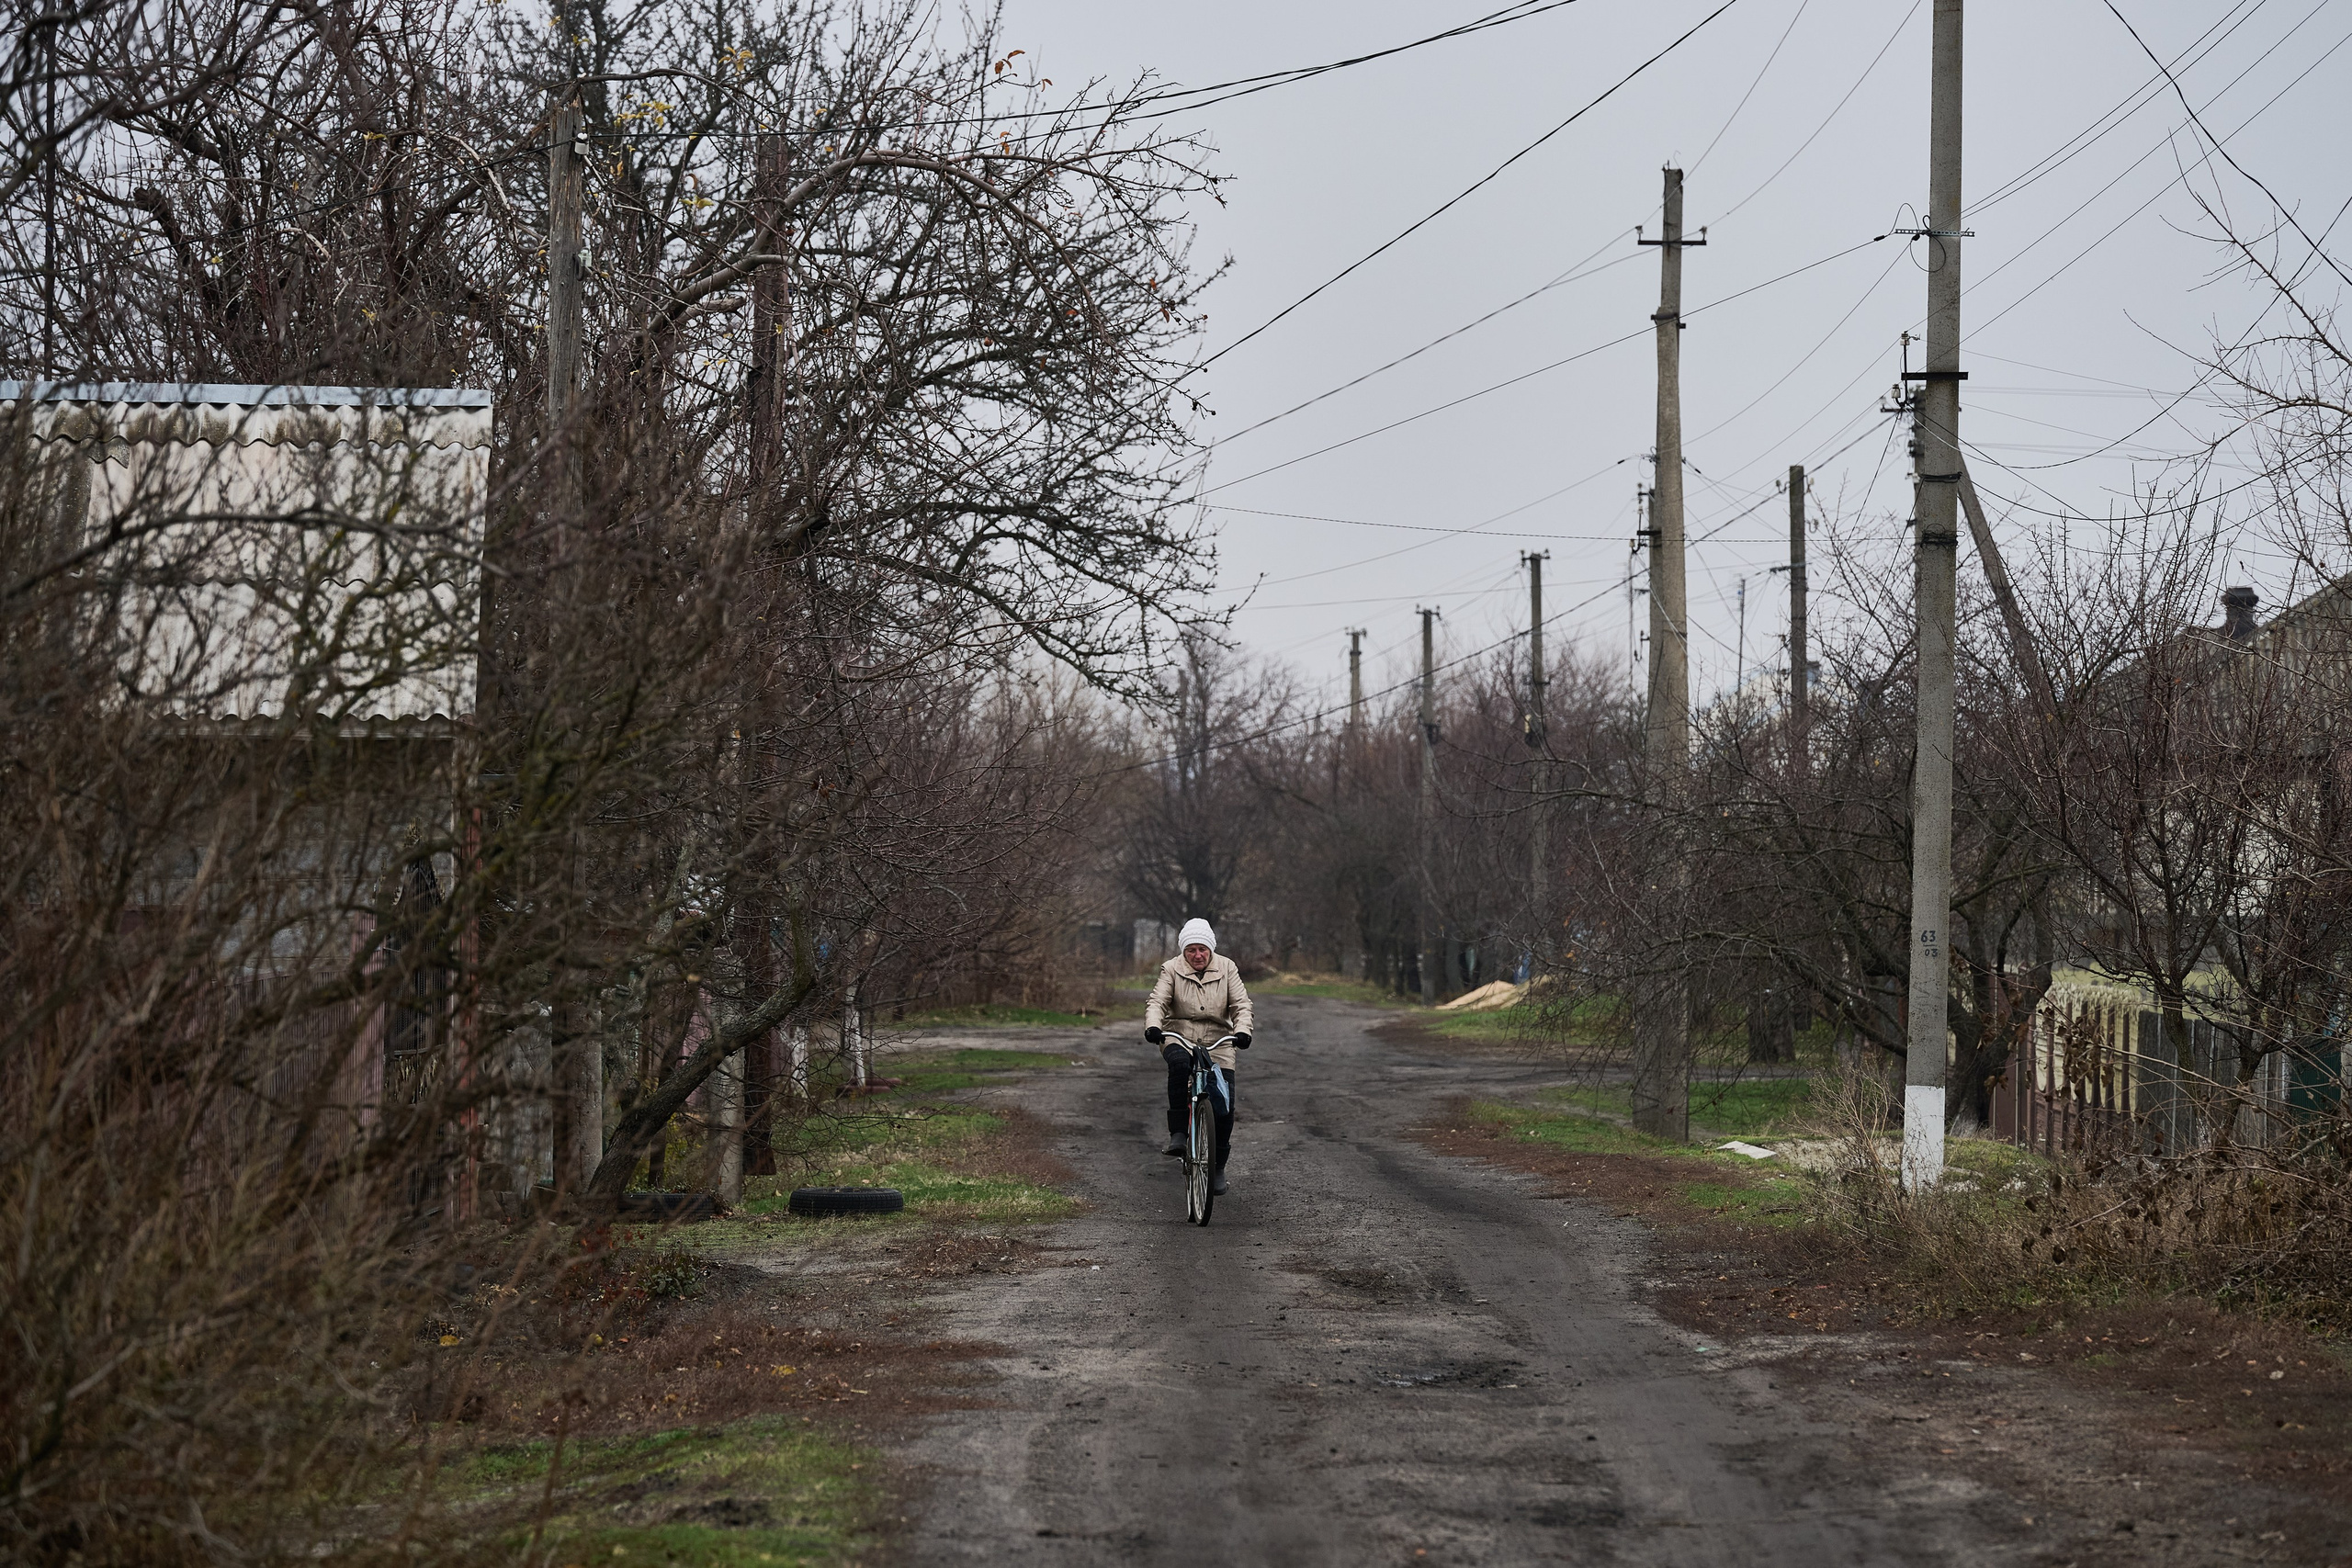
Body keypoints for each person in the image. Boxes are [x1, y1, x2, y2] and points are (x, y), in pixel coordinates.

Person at [1143, 917, 1253, 1195]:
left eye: (1202, 949)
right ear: (1184, 951)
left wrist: (1242, 1031)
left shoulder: (1227, 968)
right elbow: (1157, 1001)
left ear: (1210, 949)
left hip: (1219, 1040)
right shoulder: (1171, 969)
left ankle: (1218, 1167)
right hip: (1179, 1034)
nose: (1197, 955)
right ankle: (1179, 1133)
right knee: (1179, 1065)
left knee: (1224, 1104)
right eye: (1191, 950)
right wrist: (1153, 1026)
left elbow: (1241, 1005)